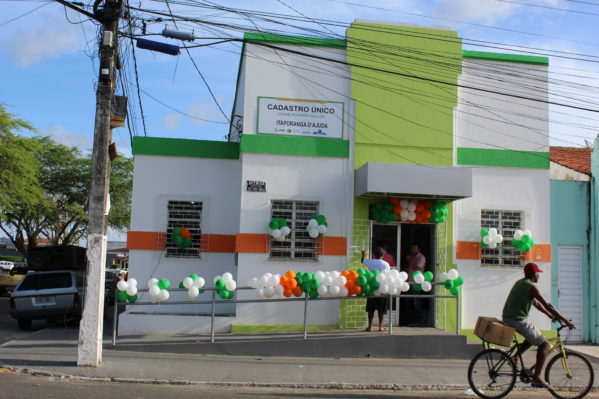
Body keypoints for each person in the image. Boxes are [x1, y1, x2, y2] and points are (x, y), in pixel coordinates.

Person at [502, 262, 575, 389]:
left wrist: (549, 315)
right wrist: (566, 320)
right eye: (538, 273)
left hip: (512, 318)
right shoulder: (531, 287)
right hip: (516, 319)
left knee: (533, 338)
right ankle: (536, 378)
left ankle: (515, 357)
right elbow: (548, 304)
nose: (539, 276)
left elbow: (536, 303)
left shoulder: (521, 283)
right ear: (533, 274)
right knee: (545, 345)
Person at [361, 247, 391, 331]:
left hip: (371, 288)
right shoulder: (385, 264)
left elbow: (362, 261)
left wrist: (363, 255)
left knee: (371, 308)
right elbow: (388, 275)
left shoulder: (370, 262)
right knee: (381, 309)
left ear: (374, 255)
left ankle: (370, 326)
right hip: (381, 288)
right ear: (382, 255)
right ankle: (380, 326)